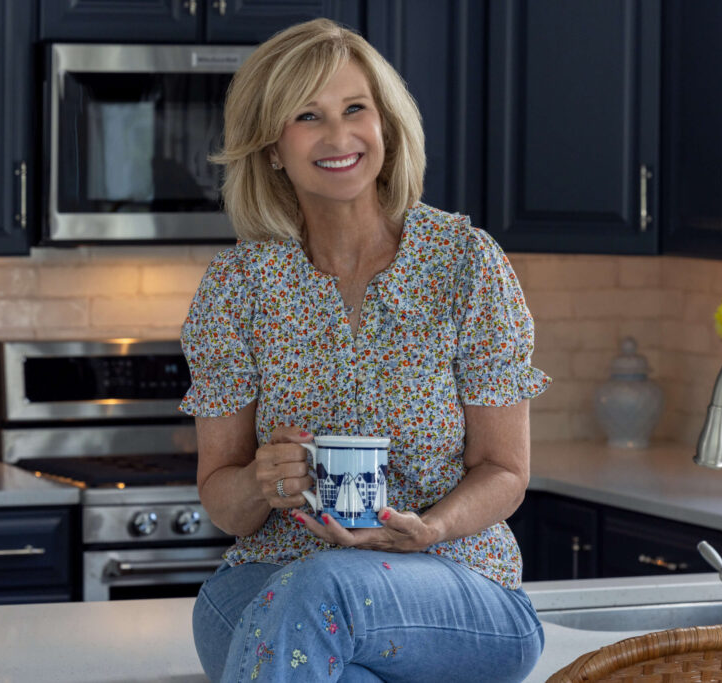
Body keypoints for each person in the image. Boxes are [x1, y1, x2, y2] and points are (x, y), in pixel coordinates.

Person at [180, 17, 551, 683]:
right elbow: (224, 501)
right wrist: (262, 481)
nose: (339, 136)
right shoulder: (237, 286)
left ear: (386, 125)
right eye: (308, 116)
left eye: (356, 109)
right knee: (294, 622)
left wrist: (431, 527)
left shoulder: (464, 263)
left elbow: (504, 469)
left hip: (454, 582)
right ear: (272, 148)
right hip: (271, 578)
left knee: (321, 591)